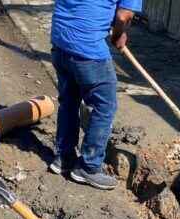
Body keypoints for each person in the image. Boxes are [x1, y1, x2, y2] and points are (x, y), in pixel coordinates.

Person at [48, 0, 142, 190]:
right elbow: (124, 16)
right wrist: (118, 34)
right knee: (104, 105)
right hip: (87, 48)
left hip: (60, 40)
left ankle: (64, 157)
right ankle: (89, 167)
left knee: (68, 101)